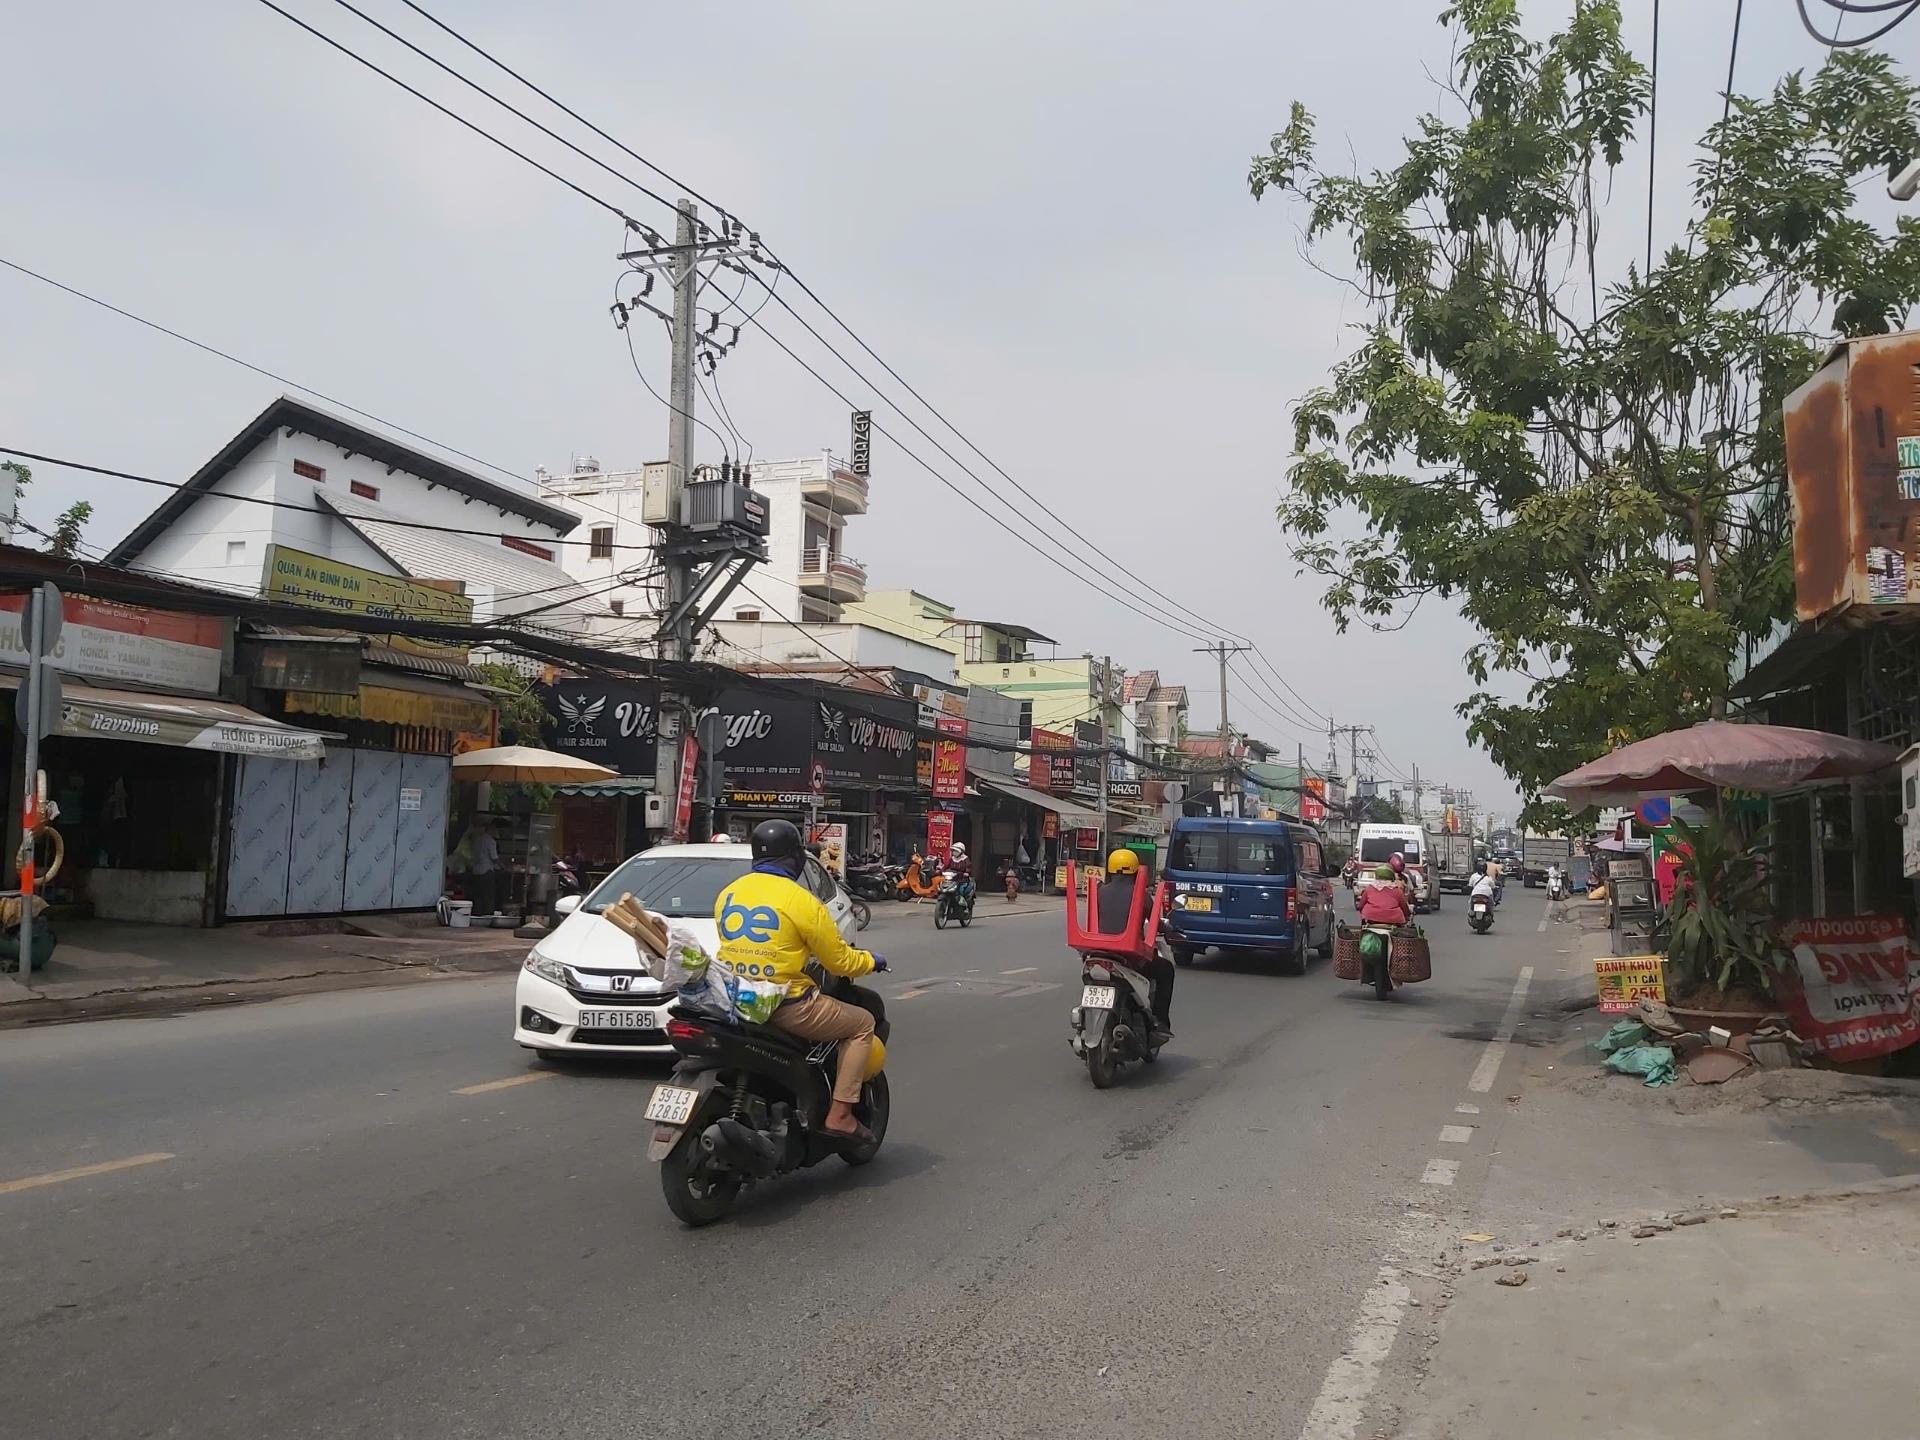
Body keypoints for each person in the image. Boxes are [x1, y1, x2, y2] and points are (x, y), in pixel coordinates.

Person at [714, 819, 887, 1141]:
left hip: (732, 998)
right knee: (862, 1024)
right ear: (795, 858)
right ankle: (841, 1115)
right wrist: (872, 961)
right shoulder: (802, 901)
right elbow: (840, 961)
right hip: (786, 1005)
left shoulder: (729, 893)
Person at [1094, 848, 1173, 1041]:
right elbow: (1155, 923)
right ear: (1135, 871)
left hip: (1098, 953)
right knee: (1166, 970)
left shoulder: (1099, 891)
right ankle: (1160, 1021)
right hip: (1129, 957)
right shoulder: (1141, 896)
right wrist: (1168, 928)